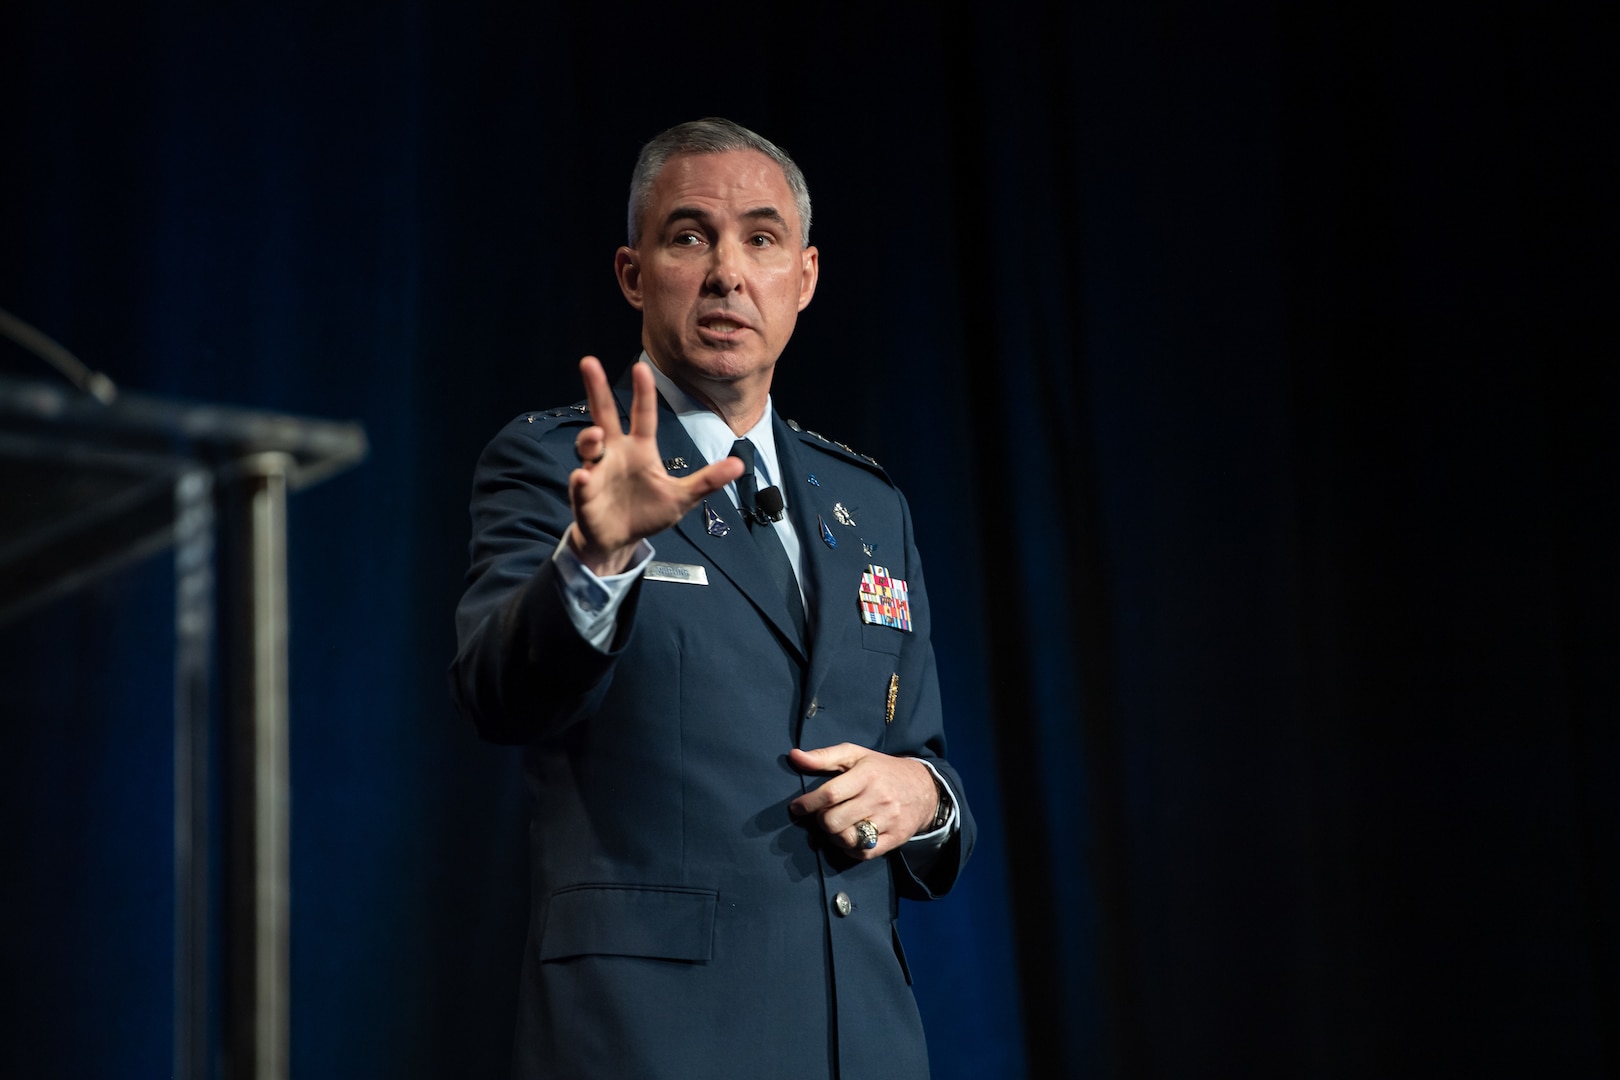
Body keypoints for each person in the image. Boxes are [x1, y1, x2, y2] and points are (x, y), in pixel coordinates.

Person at [451, 118, 975, 1079]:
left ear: (805, 278)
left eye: (761, 239)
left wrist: (925, 798)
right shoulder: (560, 464)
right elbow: (498, 690)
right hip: (649, 1038)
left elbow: (922, 758)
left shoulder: (871, 504)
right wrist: (599, 556)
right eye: (690, 236)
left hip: (858, 1041)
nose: (728, 271)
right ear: (632, 273)